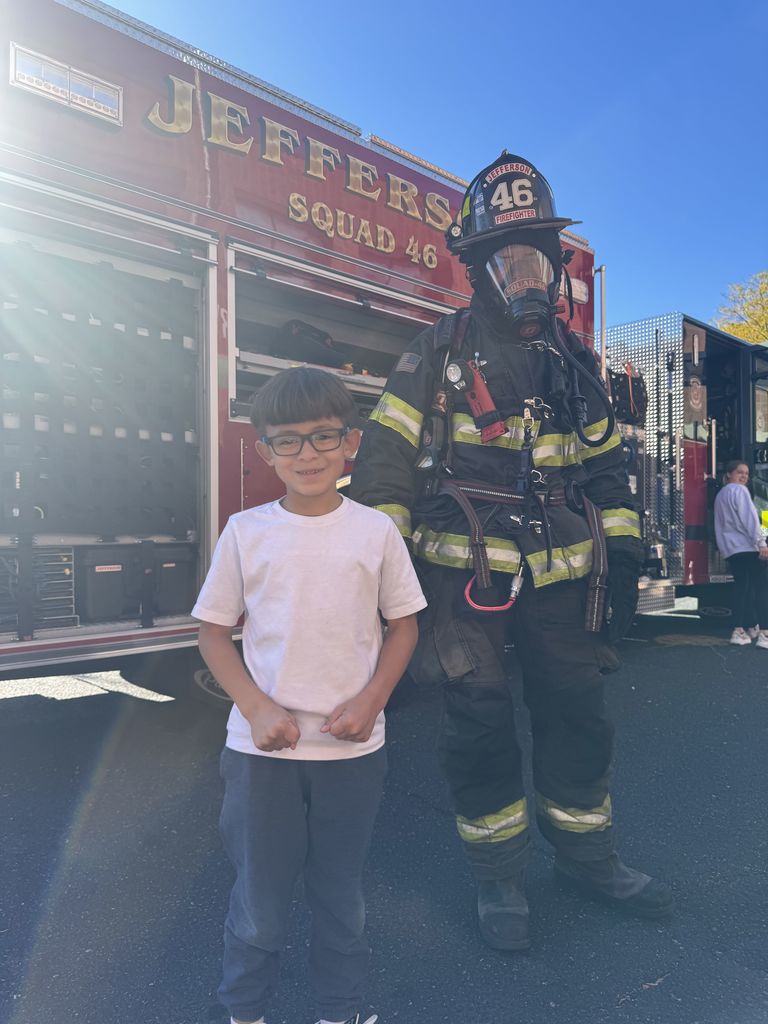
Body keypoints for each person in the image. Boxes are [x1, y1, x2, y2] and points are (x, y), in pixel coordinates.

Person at [350, 151, 674, 951]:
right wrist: (381, 587)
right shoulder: (436, 353)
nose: (528, 274)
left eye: (538, 257)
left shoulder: (576, 365)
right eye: (510, 258)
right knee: (479, 725)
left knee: (578, 717)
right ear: (479, 269)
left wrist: (624, 564)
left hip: (566, 585)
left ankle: (587, 860)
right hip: (463, 583)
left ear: (558, 268)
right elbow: (383, 466)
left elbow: (607, 472)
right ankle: (499, 881)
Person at [193, 367, 426, 1024]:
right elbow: (214, 635)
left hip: (351, 757)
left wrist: (375, 699)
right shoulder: (245, 531)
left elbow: (403, 626)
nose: (308, 455)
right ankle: (244, 1010)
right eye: (288, 442)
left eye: (324, 437)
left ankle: (341, 1010)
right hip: (261, 756)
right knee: (260, 905)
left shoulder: (376, 531)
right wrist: (258, 708)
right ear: (264, 451)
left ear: (350, 442)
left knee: (341, 898)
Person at [714, 459, 768, 647]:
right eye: (740, 472)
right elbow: (750, 520)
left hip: (731, 550)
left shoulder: (721, 495)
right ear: (729, 474)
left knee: (742, 588)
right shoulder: (740, 491)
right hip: (747, 547)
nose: (744, 476)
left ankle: (741, 629)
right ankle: (764, 633)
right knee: (761, 589)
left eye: (746, 473)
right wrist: (761, 542)